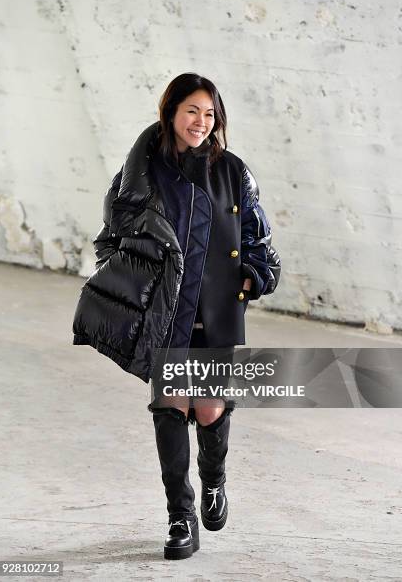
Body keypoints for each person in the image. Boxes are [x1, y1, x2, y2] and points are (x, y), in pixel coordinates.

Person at [72, 72, 281, 560]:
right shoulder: (142, 170)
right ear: (170, 112)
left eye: (210, 114)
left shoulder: (233, 171)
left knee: (208, 408)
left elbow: (259, 240)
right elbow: (110, 237)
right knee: (171, 407)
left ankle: (213, 481)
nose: (201, 122)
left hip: (218, 312)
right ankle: (179, 517)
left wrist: (251, 278)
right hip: (168, 313)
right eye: (192, 111)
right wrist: (137, 279)